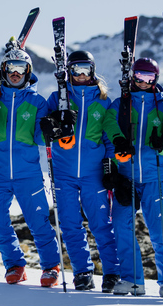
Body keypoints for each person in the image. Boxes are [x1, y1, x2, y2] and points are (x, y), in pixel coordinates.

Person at [0, 45, 61, 287]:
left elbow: (41, 139)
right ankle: (14, 264)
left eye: (20, 68)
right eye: (11, 67)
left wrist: (50, 129)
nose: (15, 73)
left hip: (27, 172)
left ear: (28, 72)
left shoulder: (37, 102)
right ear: (4, 70)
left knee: (37, 220)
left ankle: (51, 266)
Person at [40, 50, 123, 292]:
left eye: (86, 69)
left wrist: (110, 165)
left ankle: (112, 273)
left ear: (93, 71)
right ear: (69, 71)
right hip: (64, 171)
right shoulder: (58, 97)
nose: (81, 75)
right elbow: (44, 129)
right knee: (69, 223)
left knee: (101, 224)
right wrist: (51, 124)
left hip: (93, 173)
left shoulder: (103, 101)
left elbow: (109, 138)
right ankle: (83, 271)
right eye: (76, 70)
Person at [105, 57, 163, 297]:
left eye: (149, 78)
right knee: (121, 224)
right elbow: (108, 122)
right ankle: (132, 279)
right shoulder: (121, 103)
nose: (143, 82)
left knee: (159, 230)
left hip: (155, 177)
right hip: (127, 176)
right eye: (139, 76)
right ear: (132, 77)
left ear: (155, 79)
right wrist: (119, 140)